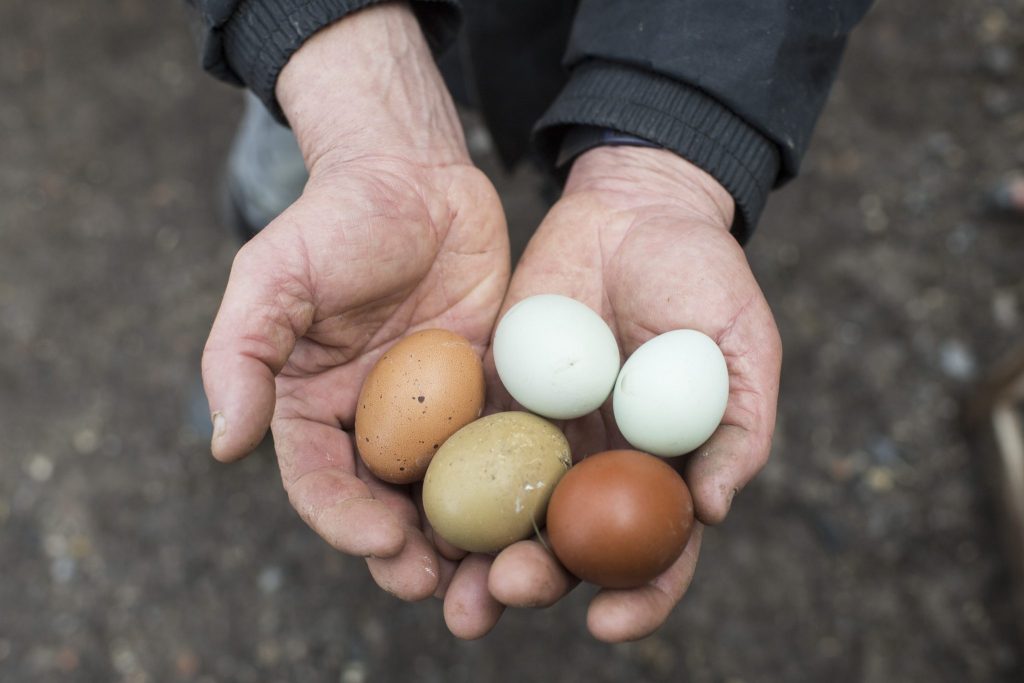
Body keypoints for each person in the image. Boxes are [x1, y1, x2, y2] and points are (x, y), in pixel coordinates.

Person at [188, 0, 872, 642]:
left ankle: (598, 141)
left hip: (607, 47)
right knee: (287, 187)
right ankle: (273, 278)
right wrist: (334, 54)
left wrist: (664, 150)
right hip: (344, 58)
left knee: (576, 155)